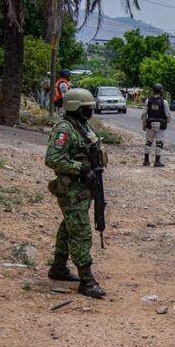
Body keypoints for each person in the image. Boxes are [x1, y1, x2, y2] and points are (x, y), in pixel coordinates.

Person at [44, 88, 107, 299]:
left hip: (83, 188)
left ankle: (59, 267)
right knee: (80, 232)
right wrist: (80, 168)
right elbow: (52, 158)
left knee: (69, 227)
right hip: (71, 188)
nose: (90, 111)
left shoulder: (81, 126)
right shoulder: (65, 129)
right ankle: (87, 280)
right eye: (87, 108)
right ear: (76, 108)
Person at [141, 83, 172, 167]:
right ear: (161, 91)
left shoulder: (148, 101)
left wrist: (144, 123)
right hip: (160, 125)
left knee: (148, 141)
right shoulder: (164, 102)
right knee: (159, 142)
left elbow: (143, 114)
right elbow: (168, 115)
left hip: (150, 124)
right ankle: (157, 161)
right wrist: (166, 121)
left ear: (153, 91)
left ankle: (146, 160)